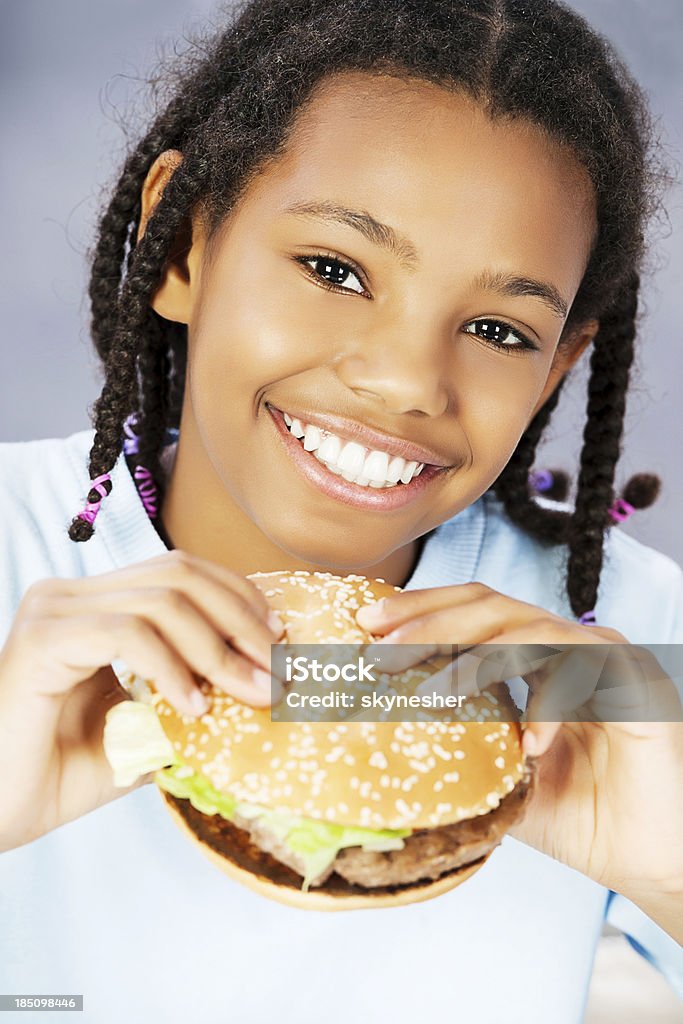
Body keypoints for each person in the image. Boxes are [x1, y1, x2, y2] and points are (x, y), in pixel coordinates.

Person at [0, 0, 681, 1020]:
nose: (405, 381)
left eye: (497, 328)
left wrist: (668, 872)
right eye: (332, 269)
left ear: (556, 369)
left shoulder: (624, 653)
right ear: (182, 243)